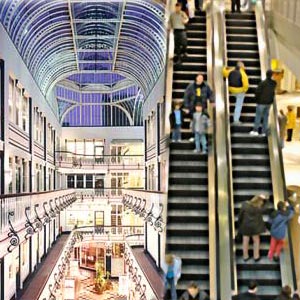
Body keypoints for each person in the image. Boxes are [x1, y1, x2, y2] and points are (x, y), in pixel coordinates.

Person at [237, 194, 268, 261]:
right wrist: (265, 200)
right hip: (255, 227)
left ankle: (245, 256)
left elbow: (240, 215)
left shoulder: (244, 205)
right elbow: (265, 208)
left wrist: (239, 223)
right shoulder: (259, 208)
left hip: (245, 226)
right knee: (256, 241)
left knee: (245, 241)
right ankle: (256, 256)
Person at [250, 70, 277, 136]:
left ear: (266, 74)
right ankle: (264, 131)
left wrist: (257, 100)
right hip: (268, 103)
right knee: (266, 117)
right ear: (272, 75)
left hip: (261, 103)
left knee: (258, 116)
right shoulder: (274, 83)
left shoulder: (262, 83)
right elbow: (273, 92)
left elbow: (257, 92)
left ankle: (255, 130)